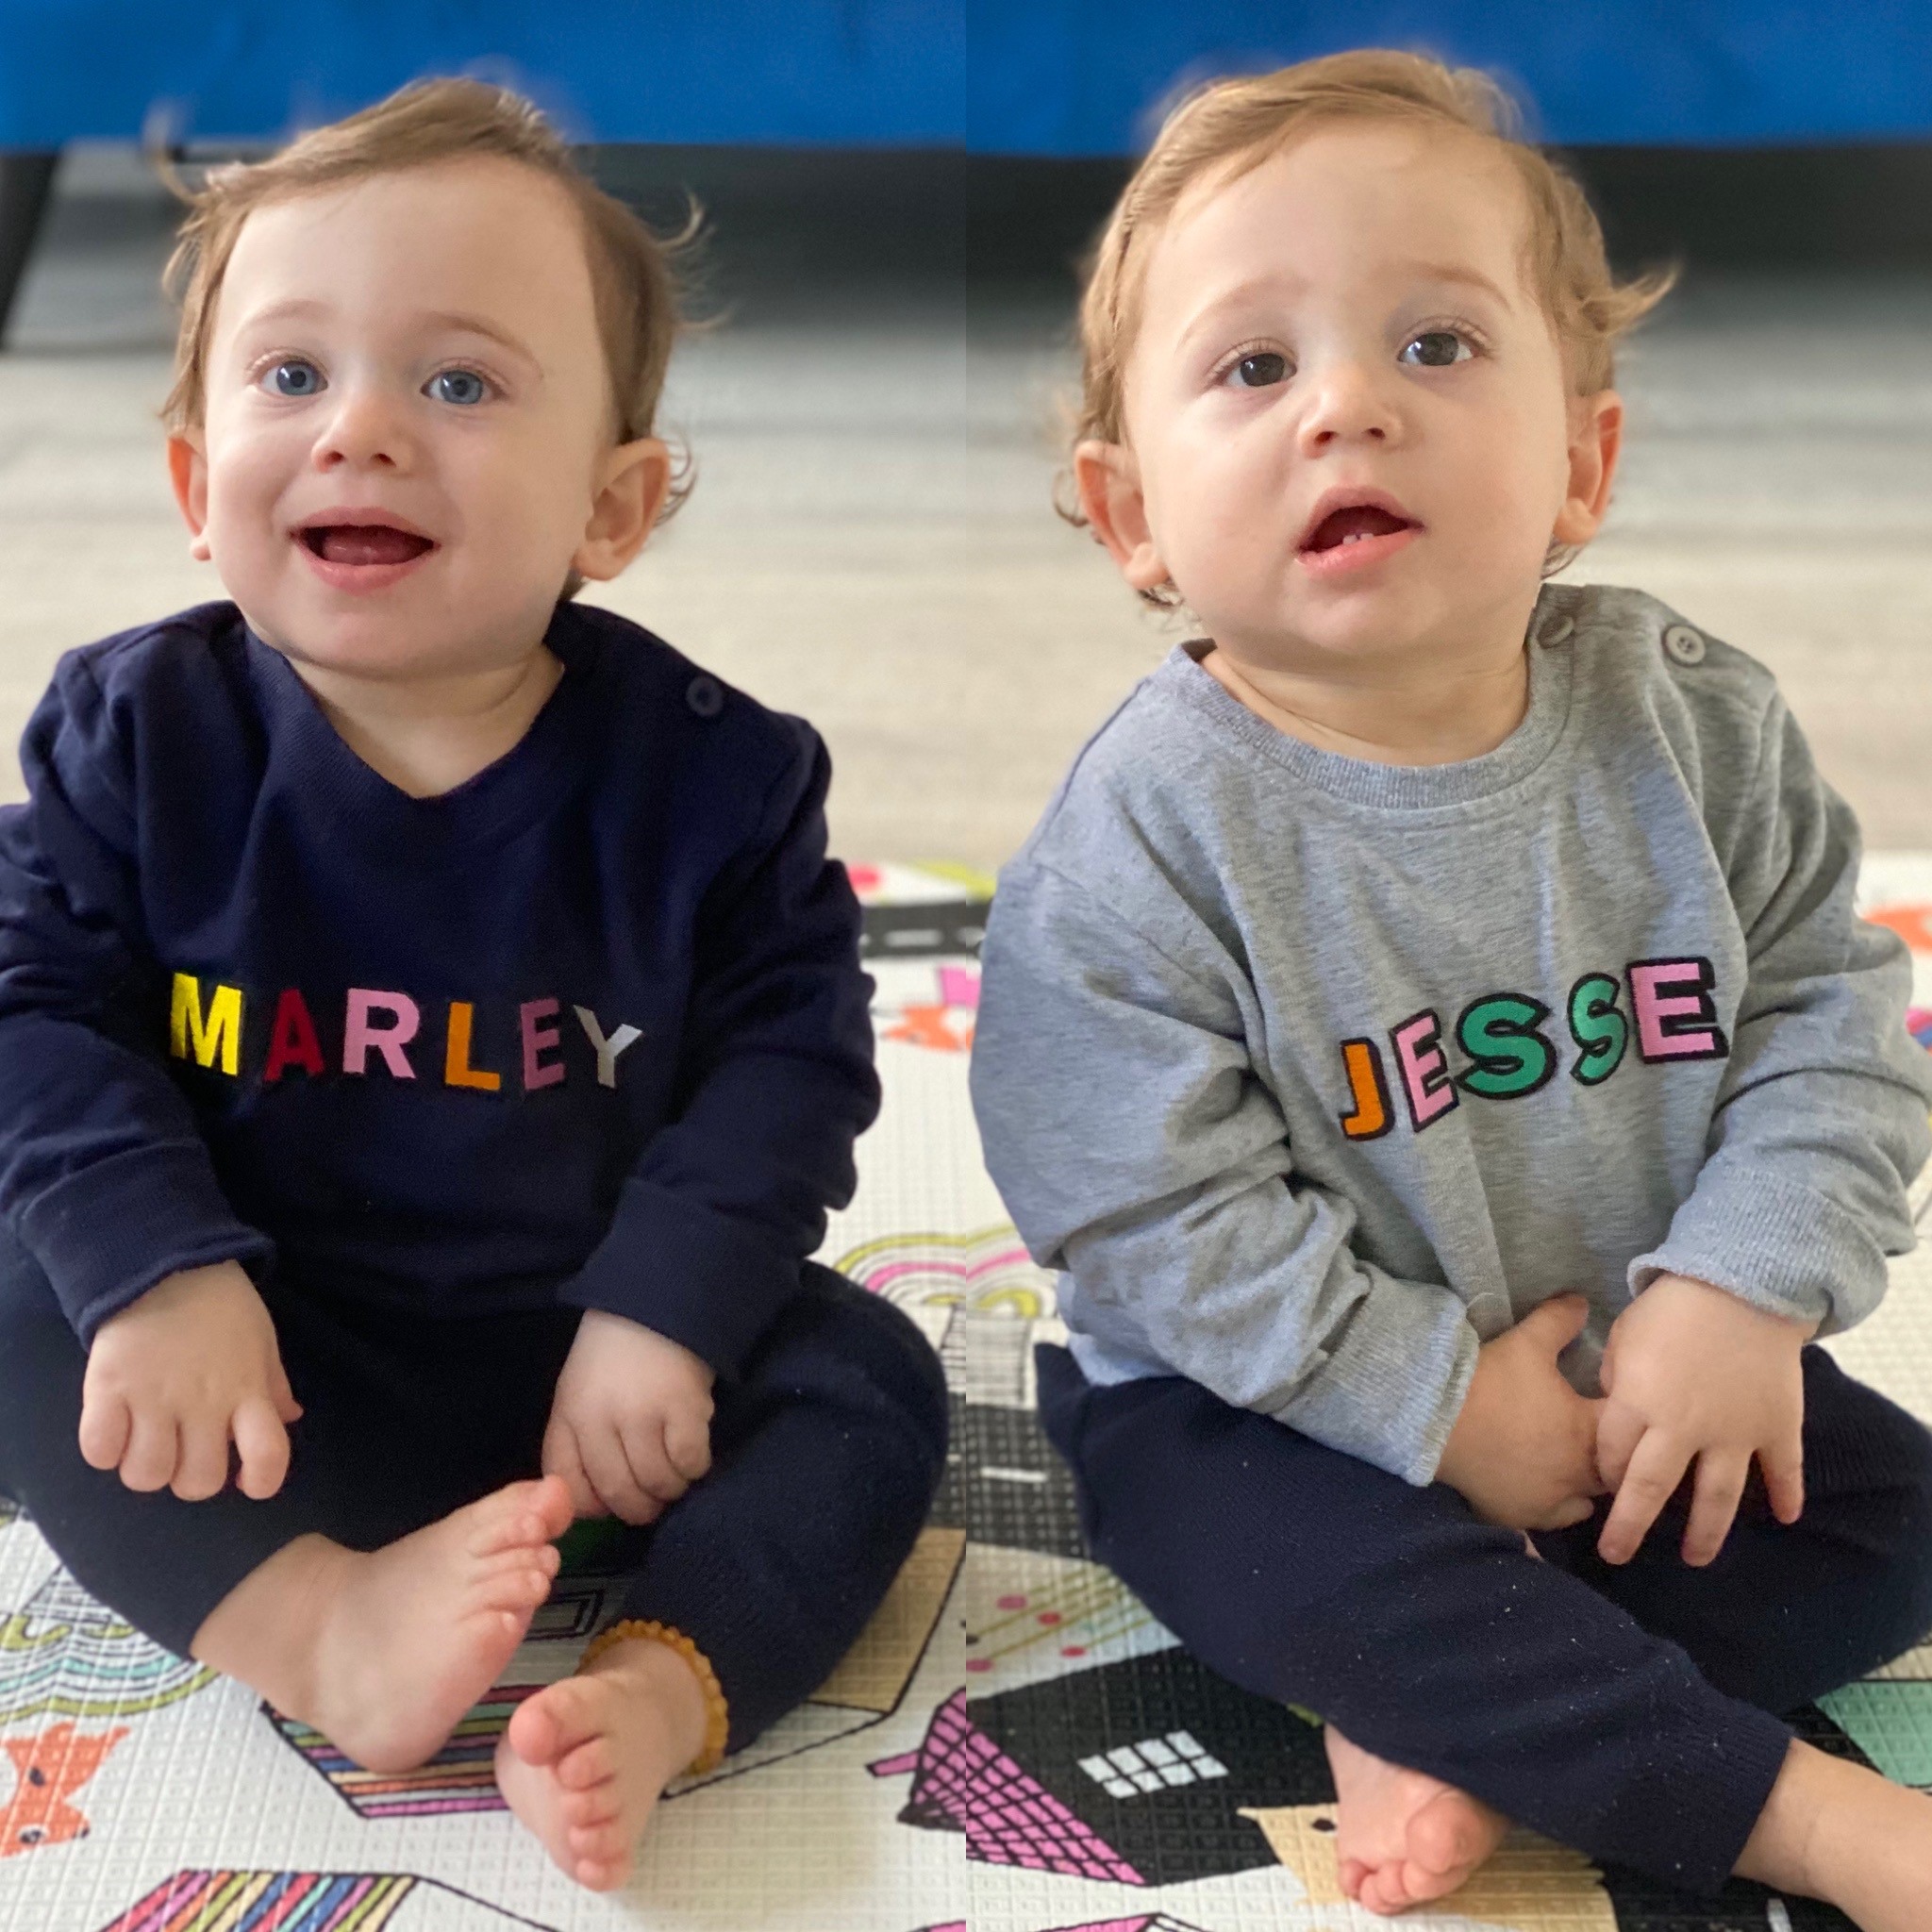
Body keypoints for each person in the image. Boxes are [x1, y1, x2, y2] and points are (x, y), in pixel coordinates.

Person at [969, 49, 1932, 1928]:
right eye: (1253, 369)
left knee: (1893, 1511)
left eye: (1433, 346)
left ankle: (1470, 1708)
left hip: (1617, 1371)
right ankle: (1795, 1817)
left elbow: (1830, 1021)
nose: (1346, 408)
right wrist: (1424, 1406)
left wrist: (1739, 1293)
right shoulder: (1141, 843)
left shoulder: (1694, 725)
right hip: (1264, 1407)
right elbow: (1141, 1211)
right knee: (1274, 1543)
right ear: (1128, 516)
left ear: (1582, 457)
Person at [0, 77, 945, 1892]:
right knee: (24, 1285)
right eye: (291, 378)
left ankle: (659, 1688)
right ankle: (320, 1627)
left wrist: (664, 1311)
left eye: (457, 383)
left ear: (615, 502)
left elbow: (789, 1063)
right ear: (199, 486)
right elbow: (38, 1011)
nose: (359, 432)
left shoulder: (716, 784)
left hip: (588, 1368)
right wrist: (159, 1270)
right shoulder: (139, 741)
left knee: (869, 1383)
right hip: (257, 1354)